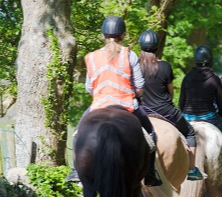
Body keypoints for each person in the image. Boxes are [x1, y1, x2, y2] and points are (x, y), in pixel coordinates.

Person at [66, 16, 162, 186]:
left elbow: (89, 87)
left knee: (78, 132)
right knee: (151, 133)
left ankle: (75, 170)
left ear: (103, 35)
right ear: (123, 35)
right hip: (127, 105)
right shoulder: (129, 55)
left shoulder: (92, 57)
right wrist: (135, 93)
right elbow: (140, 86)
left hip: (99, 105)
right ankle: (150, 172)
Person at [138, 29, 205, 181]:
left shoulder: (134, 66)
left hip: (140, 111)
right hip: (165, 111)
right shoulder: (165, 66)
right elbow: (171, 92)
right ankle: (192, 170)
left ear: (140, 46)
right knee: (189, 133)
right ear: (157, 46)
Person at [179, 45, 222, 178]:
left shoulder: (187, 77)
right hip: (208, 116)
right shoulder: (214, 78)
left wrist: (184, 115)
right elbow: (221, 102)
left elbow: (181, 101)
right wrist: (220, 116)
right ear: (210, 60)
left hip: (187, 117)